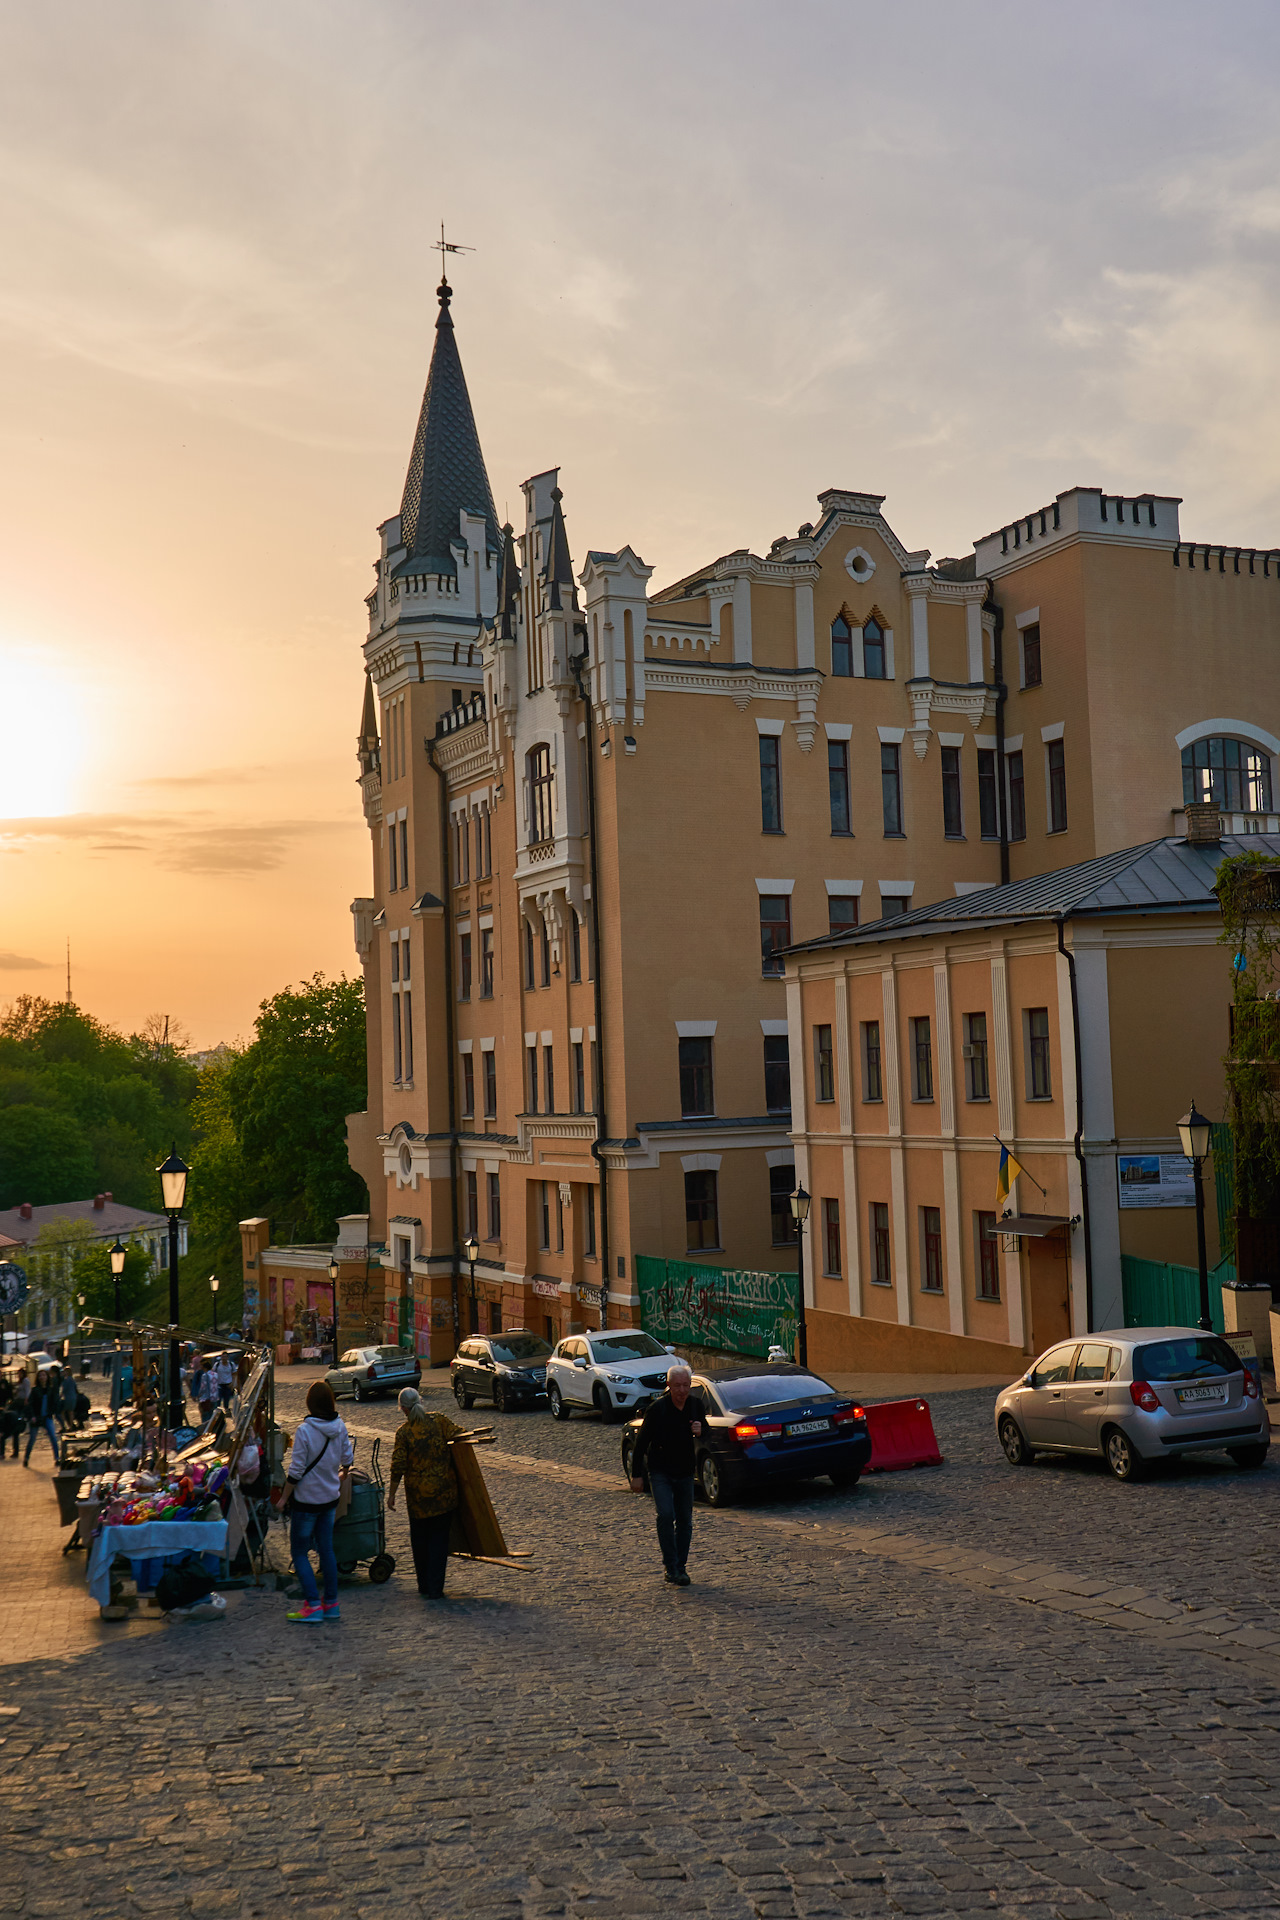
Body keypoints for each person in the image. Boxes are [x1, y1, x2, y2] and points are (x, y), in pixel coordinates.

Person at [629, 1362, 707, 1587]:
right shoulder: (658, 1409)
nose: (682, 1391)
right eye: (677, 1386)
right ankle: (670, 1565)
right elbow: (641, 1443)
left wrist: (702, 1430)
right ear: (669, 1386)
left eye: (686, 1385)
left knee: (685, 1521)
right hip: (660, 1471)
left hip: (684, 1471)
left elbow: (706, 1430)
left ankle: (680, 1567)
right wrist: (637, 1476)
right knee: (665, 1515)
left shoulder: (695, 1406)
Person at [282, 1380, 353, 1625]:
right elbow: (347, 1459)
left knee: (300, 1552)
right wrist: (338, 1475)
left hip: (307, 1501)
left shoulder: (305, 1431)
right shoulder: (340, 1426)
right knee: (327, 1550)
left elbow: (296, 1470)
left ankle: (312, 1604)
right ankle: (331, 1604)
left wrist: (283, 1497)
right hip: (329, 1498)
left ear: (310, 1404)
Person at [387, 1387, 465, 1599]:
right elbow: (461, 1435)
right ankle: (436, 1588)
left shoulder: (404, 1432)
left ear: (402, 1408)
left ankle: (423, 1585)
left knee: (420, 1542)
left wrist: (392, 1493)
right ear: (420, 1401)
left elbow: (398, 1465)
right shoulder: (439, 1421)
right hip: (443, 1495)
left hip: (418, 1499)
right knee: (439, 1542)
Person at [22, 1370, 61, 1468]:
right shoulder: (35, 1390)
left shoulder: (50, 1389)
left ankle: (57, 1458)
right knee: (32, 1438)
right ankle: (26, 1458)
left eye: (44, 1375)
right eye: (40, 1376)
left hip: (47, 1416)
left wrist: (53, 1412)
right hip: (36, 1417)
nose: (42, 1377)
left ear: (47, 1377)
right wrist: (32, 1416)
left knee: (53, 1436)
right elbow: (30, 1404)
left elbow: (55, 1402)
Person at [195, 1359, 217, 1428]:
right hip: (214, 1397)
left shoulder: (205, 1376)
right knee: (212, 1415)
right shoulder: (215, 1375)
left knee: (205, 1417)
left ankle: (206, 1429)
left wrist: (198, 1396)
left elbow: (203, 1388)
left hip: (206, 1398)